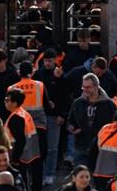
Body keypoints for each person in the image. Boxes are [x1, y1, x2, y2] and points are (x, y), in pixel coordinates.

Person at [67, 73, 117, 167]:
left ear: (96, 86)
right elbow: (70, 119)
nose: (85, 90)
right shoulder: (78, 103)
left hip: (101, 147)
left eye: (88, 87)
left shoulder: (109, 105)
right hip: (81, 145)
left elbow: (115, 125)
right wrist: (72, 127)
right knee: (81, 177)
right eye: (83, 87)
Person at [32, 48, 65, 185]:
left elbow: (64, 96)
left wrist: (61, 114)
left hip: (53, 116)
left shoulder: (59, 75)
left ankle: (50, 174)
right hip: (39, 115)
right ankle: (43, 173)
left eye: (50, 61)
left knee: (52, 147)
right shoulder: (37, 75)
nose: (47, 63)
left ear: (55, 61)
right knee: (40, 148)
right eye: (45, 61)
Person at [3, 88, 42, 191]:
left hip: (18, 157)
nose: (5, 102)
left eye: (7, 100)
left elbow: (20, 140)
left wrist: (15, 159)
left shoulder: (16, 117)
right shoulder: (22, 113)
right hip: (27, 155)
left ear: (15, 103)